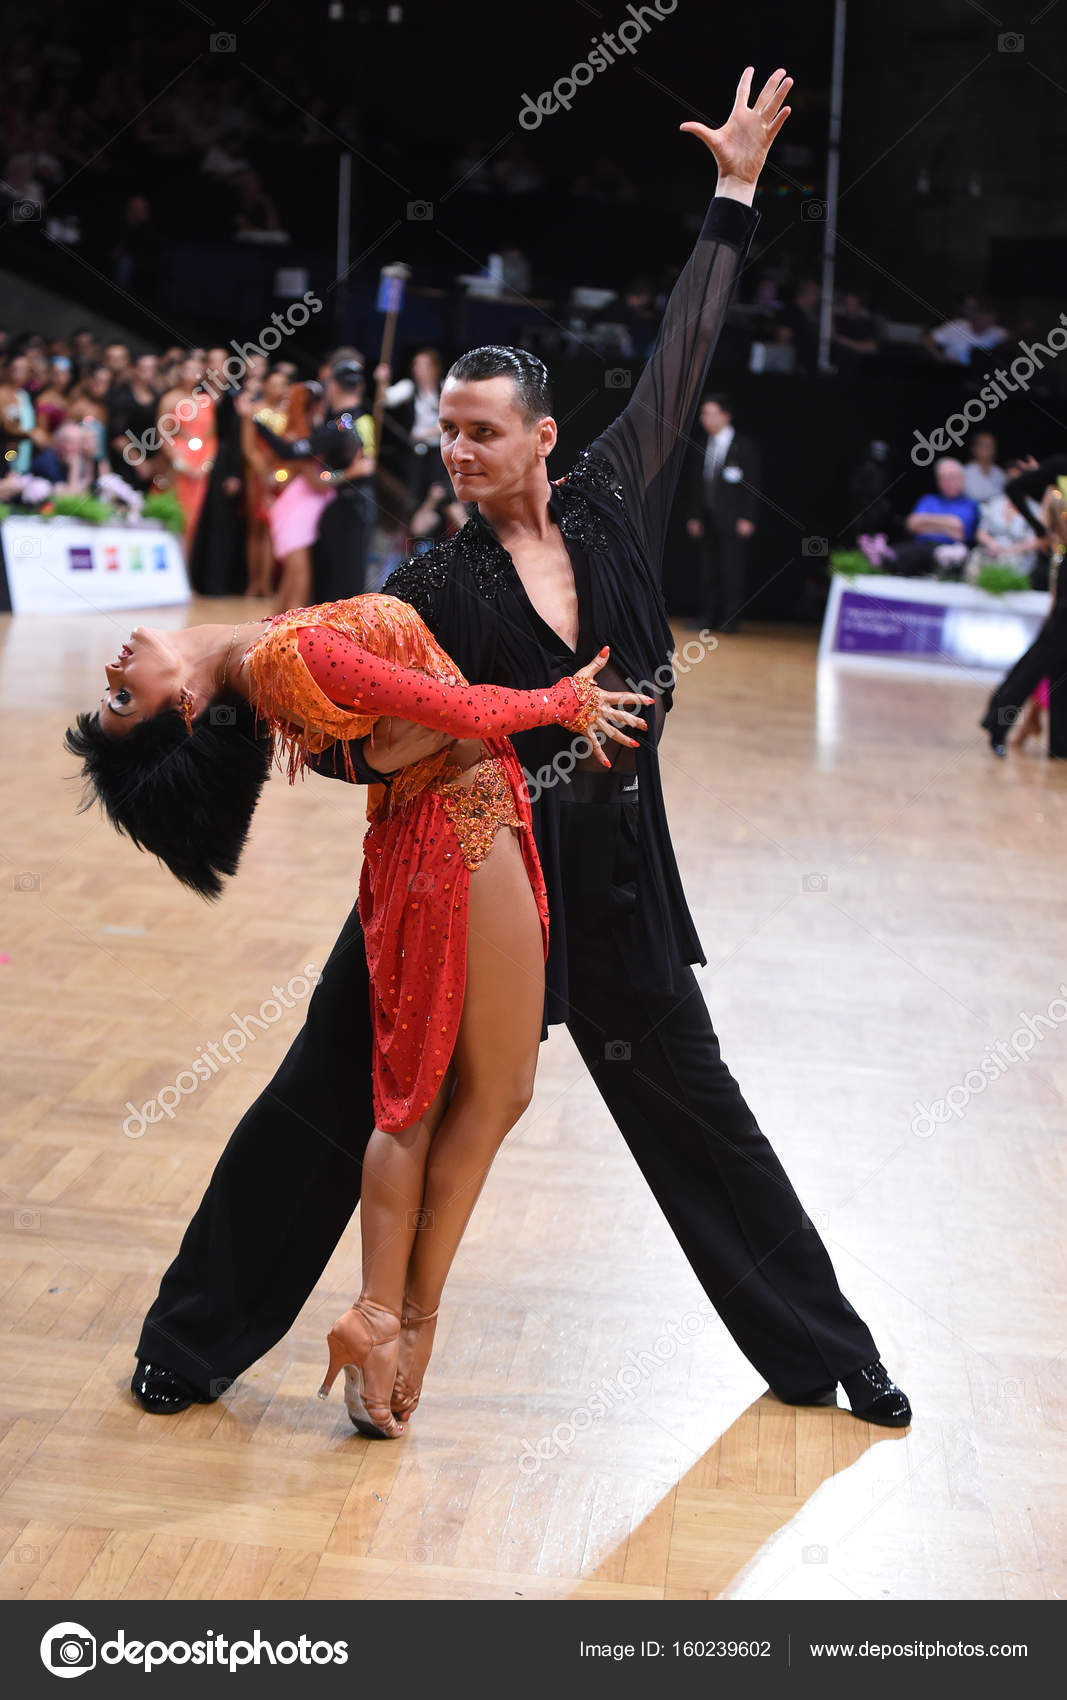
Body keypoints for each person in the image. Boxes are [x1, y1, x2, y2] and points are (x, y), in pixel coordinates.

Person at [126, 67, 911, 1432]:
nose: (462, 454)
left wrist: (731, 192)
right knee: (318, 1103)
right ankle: (188, 1347)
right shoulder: (441, 578)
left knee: (701, 1120)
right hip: (464, 876)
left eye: (483, 435)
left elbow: (684, 346)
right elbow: (328, 642)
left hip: (609, 890)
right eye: (449, 436)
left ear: (543, 438)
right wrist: (208, 665)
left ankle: (827, 1353)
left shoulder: (613, 499)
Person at [65, 601, 647, 1435]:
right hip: (456, 831)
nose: (115, 670)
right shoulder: (281, 656)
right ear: (184, 714)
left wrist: (417, 735)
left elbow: (407, 726)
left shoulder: (265, 658)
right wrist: (563, 701)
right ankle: (384, 1320)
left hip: (466, 815)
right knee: (415, 1096)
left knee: (494, 1092)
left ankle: (395, 1322)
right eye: (122, 700)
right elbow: (459, 714)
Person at [981, 457, 1067, 757]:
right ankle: (997, 720)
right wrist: (1041, 531)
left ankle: (1060, 743)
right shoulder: (1060, 466)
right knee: (1044, 655)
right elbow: (1014, 487)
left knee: (1061, 662)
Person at [685, 392, 761, 631]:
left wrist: (748, 517)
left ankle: (730, 618)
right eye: (703, 414)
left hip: (733, 519)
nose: (705, 419)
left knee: (732, 570)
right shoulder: (701, 445)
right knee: (707, 569)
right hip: (707, 517)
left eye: (711, 413)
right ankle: (707, 616)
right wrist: (694, 515)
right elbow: (696, 484)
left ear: (725, 416)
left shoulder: (744, 446)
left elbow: (753, 486)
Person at [887, 458, 980, 578]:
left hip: (949, 551)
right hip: (918, 547)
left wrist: (925, 522)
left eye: (951, 476)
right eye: (942, 477)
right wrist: (947, 525)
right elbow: (911, 524)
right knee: (893, 555)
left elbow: (958, 529)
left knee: (944, 556)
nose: (947, 481)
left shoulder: (970, 504)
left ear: (961, 479)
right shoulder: (928, 500)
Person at [962, 429, 1005, 505]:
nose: (987, 449)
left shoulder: (999, 473)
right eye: (983, 445)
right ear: (973, 448)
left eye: (990, 445)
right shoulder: (964, 472)